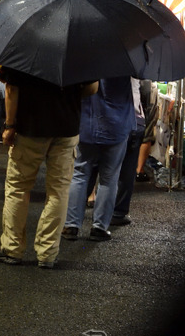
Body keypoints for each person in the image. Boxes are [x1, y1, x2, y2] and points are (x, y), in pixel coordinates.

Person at [0, 69, 97, 268]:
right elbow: (92, 87)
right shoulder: (76, 45)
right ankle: (47, 254)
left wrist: (10, 125)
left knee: (18, 188)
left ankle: (12, 249)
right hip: (67, 127)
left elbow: (12, 88)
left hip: (30, 127)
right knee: (59, 191)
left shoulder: (24, 43)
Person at [62, 76, 136, 241]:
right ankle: (99, 227)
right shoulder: (125, 57)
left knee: (79, 173)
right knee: (109, 179)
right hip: (117, 123)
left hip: (87, 121)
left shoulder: (88, 54)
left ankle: (71, 225)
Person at [111, 79, 158, 226]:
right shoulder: (137, 67)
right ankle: (117, 213)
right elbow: (146, 96)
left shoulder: (100, 63)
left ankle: (74, 221)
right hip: (132, 121)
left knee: (100, 170)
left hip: (105, 121)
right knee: (124, 171)